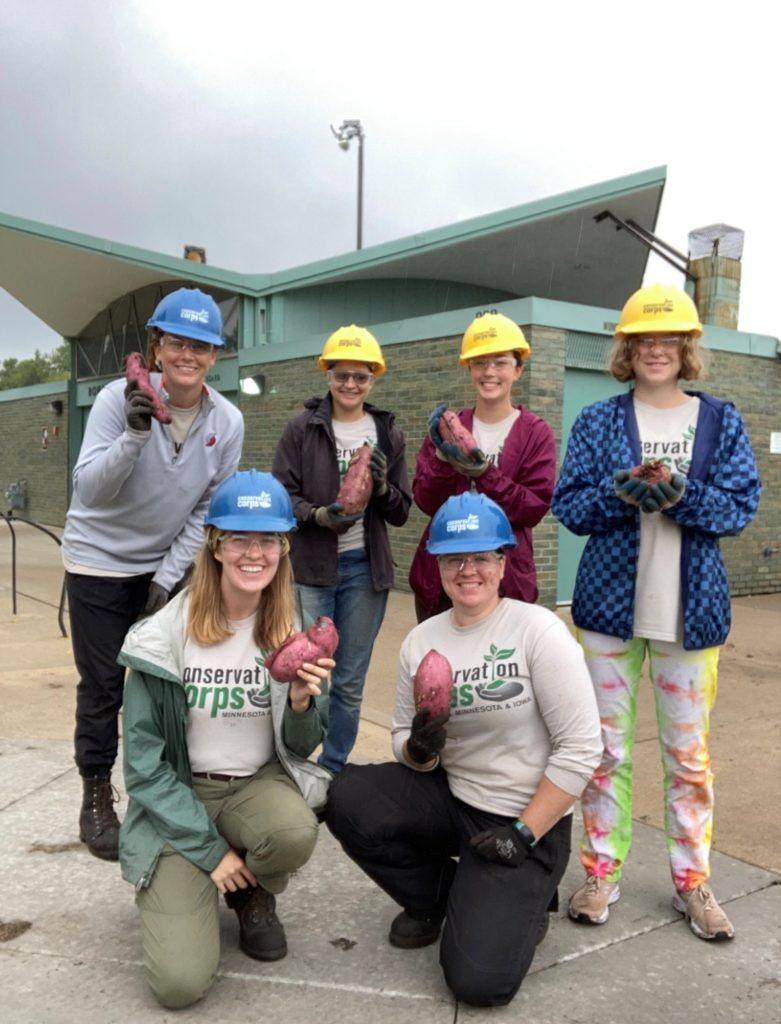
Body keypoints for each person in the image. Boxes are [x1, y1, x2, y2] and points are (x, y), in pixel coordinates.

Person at [326, 492, 602, 1008]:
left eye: (481, 556)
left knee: (479, 982)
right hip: (452, 797)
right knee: (346, 795)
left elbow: (582, 749)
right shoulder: (422, 640)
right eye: (454, 557)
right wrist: (420, 750)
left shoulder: (537, 630)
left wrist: (524, 833)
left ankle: (527, 895)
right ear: (438, 565)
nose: (467, 569)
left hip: (522, 819)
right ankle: (437, 898)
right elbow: (402, 738)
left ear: (502, 561)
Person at [551, 283, 761, 942]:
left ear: (686, 348)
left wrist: (679, 497)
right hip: (608, 614)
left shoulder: (720, 421)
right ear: (628, 349)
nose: (655, 350)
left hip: (690, 616)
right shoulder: (596, 421)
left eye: (667, 339)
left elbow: (739, 506)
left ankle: (691, 884)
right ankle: (600, 873)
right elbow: (570, 505)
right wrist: (623, 496)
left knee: (688, 759)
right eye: (643, 339)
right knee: (604, 754)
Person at [118, 470, 333, 1010]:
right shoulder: (163, 635)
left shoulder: (290, 625)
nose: (253, 553)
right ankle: (207, 869)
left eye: (268, 540)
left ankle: (251, 889)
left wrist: (305, 705)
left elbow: (302, 746)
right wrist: (212, 853)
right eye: (240, 538)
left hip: (253, 786)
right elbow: (144, 767)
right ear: (215, 545)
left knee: (293, 833)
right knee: (179, 986)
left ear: (284, 548)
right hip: (179, 797)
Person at [62, 287, 244, 861]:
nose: (188, 355)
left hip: (162, 567)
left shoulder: (227, 420)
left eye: (202, 346)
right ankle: (96, 791)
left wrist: (167, 581)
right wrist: (133, 437)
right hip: (97, 560)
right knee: (103, 687)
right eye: (177, 342)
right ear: (157, 347)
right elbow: (89, 489)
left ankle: (169, 790)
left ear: (216, 356)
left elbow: (206, 510)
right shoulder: (119, 400)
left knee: (167, 684)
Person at [272, 325, 411, 774]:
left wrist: (386, 489)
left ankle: (331, 770)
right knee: (311, 675)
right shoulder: (302, 428)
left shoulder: (387, 432)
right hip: (312, 567)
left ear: (374, 378)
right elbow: (281, 496)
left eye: (361, 376)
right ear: (327, 375)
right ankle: (295, 758)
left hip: (365, 571)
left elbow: (401, 512)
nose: (350, 384)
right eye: (341, 374)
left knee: (349, 681)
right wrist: (316, 516)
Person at [409, 309, 556, 622]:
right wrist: (441, 461)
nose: (489, 372)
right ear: (470, 369)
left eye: (501, 362)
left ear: (518, 369)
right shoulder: (449, 428)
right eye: (480, 363)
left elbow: (533, 507)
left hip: (508, 577)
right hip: (445, 579)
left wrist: (485, 475)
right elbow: (424, 500)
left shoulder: (534, 431)